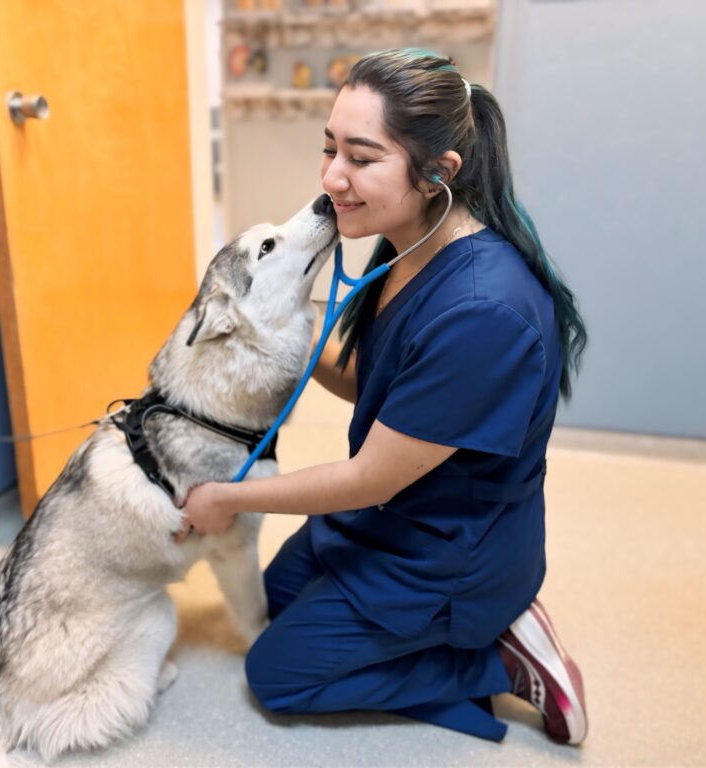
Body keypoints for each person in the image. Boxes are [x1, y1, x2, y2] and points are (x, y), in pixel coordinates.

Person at [178, 48, 589, 745]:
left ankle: (502, 658)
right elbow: (384, 380)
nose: (331, 178)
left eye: (362, 158)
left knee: (277, 675)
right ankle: (450, 638)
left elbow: (369, 479)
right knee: (277, 600)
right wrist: (280, 340)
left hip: (446, 551)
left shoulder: (484, 312)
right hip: (395, 516)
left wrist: (226, 497)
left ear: (439, 173)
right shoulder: (411, 243)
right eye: (330, 148)